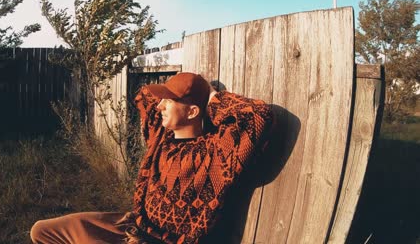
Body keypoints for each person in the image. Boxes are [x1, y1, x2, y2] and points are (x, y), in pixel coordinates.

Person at [30, 72, 274, 243]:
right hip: (131, 227)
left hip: (163, 241)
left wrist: (211, 97)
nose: (159, 106)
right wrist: (181, 89)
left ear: (192, 111)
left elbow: (258, 115)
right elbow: (143, 97)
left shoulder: (215, 154)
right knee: (43, 232)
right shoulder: (160, 137)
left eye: (168, 101)